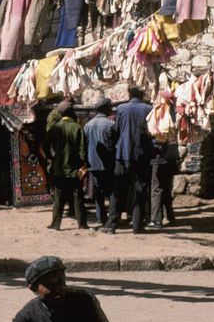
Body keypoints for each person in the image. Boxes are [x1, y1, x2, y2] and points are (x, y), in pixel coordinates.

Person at [108, 86, 154, 234]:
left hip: (123, 153)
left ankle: (112, 224)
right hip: (142, 154)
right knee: (141, 189)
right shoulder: (148, 108)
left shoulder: (121, 109)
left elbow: (117, 129)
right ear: (142, 95)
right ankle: (137, 225)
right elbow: (151, 131)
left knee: (119, 188)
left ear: (129, 94)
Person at [45, 98, 88, 230]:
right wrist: (82, 164)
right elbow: (82, 150)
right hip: (74, 168)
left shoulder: (54, 128)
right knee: (78, 196)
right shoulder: (77, 128)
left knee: (59, 197)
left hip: (58, 168)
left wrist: (51, 157)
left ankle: (55, 224)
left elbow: (46, 146)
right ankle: (82, 224)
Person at [84, 97, 118, 230]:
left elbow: (84, 145)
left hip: (93, 163)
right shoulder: (110, 124)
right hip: (108, 163)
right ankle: (112, 218)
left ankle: (101, 217)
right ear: (105, 109)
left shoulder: (88, 125)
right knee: (110, 191)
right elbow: (115, 143)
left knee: (98, 191)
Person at [147, 91, 180, 230]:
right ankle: (170, 216)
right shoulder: (175, 112)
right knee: (166, 187)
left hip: (160, 156)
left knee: (156, 188)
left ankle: (156, 220)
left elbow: (158, 133)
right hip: (172, 155)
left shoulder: (161, 114)